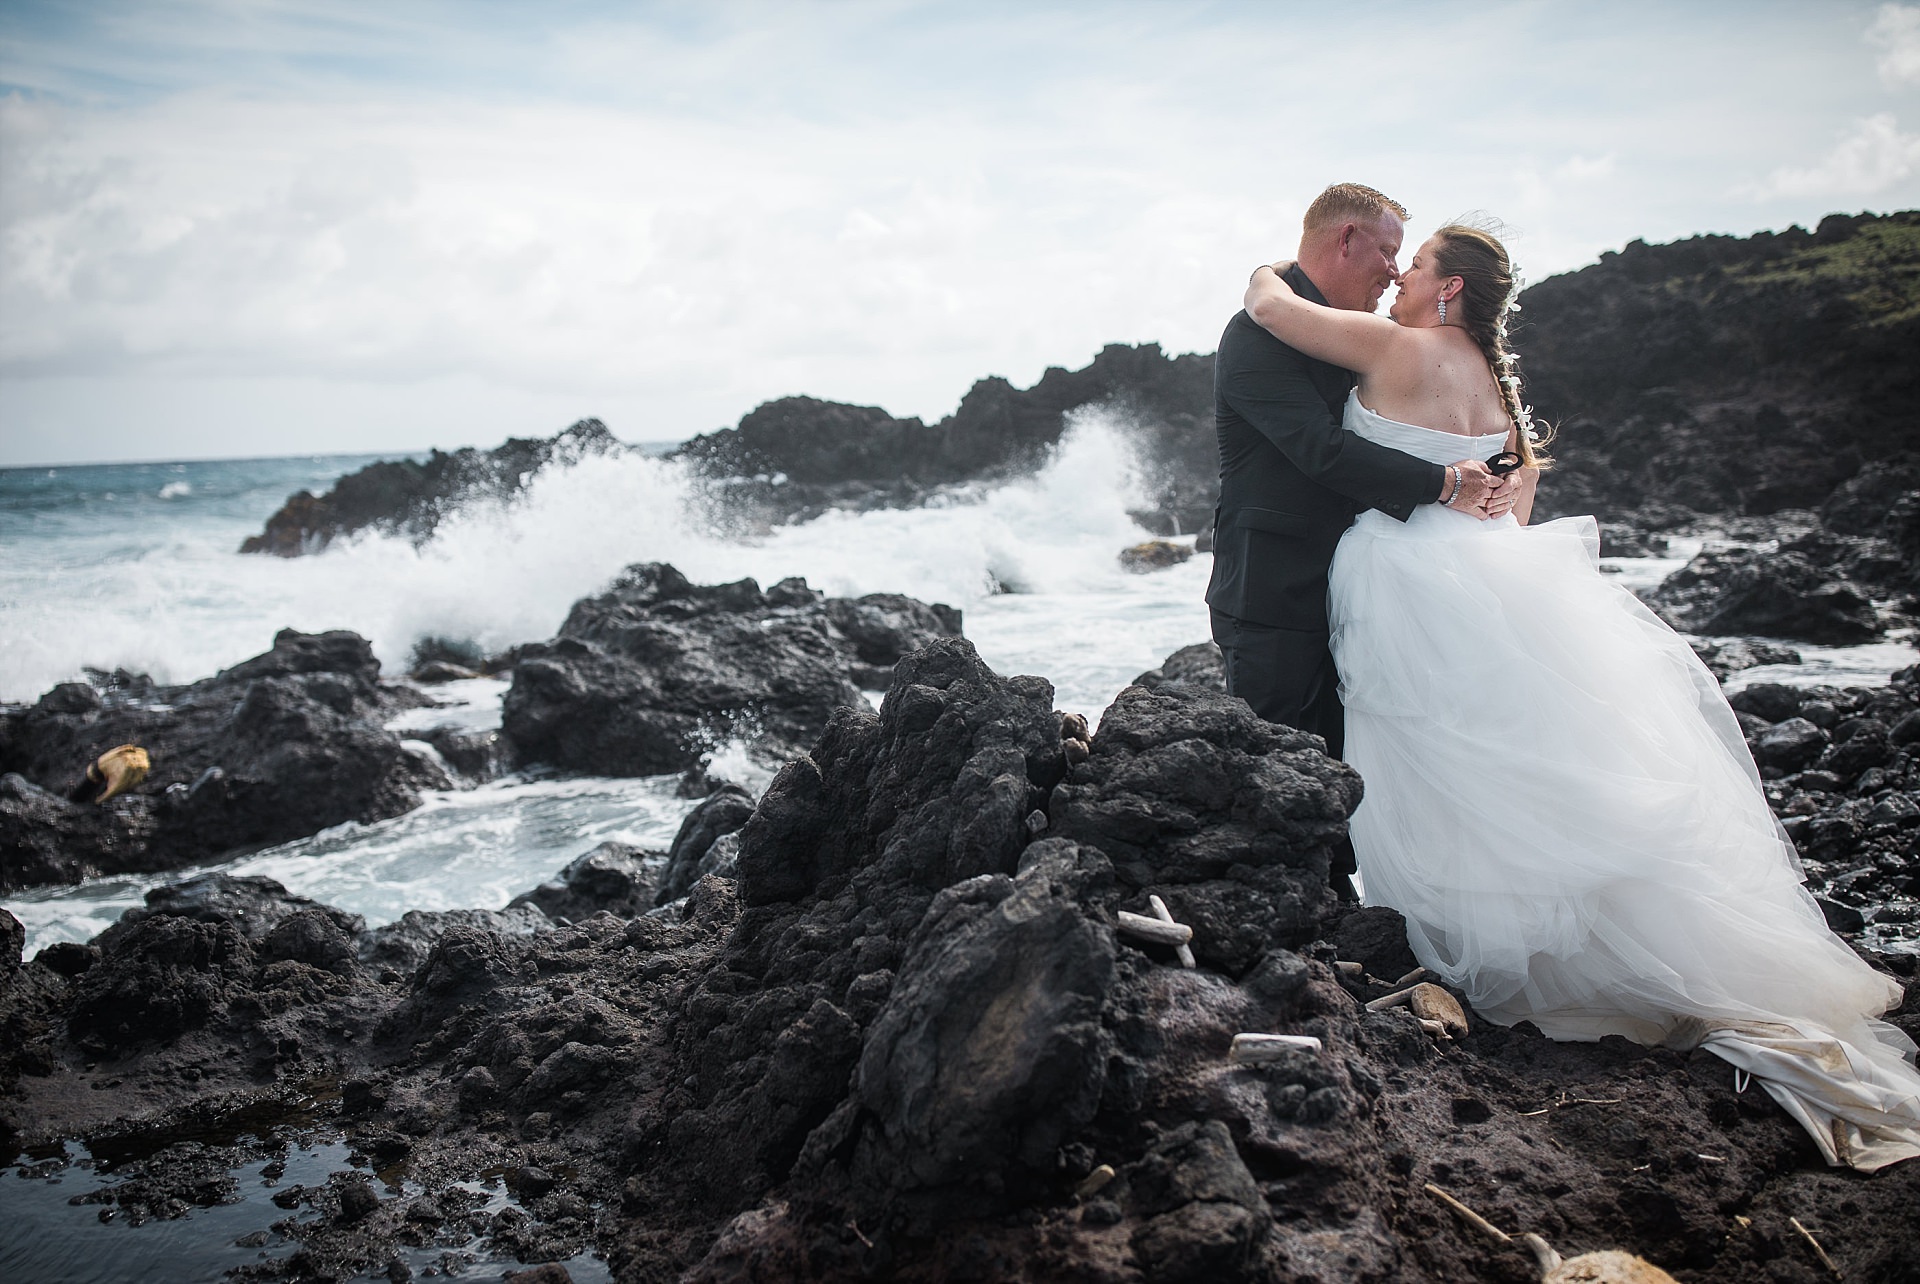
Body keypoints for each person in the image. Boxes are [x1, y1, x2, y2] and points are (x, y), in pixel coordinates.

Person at [1239, 221, 1920, 1171]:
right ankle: (1568, 939)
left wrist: (1267, 264)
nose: (1398, 279)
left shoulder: (1395, 344)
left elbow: (1271, 308)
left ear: (1448, 291)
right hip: (1490, 577)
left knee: (1432, 760)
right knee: (1512, 755)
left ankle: (1476, 942)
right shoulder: (1491, 382)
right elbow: (1512, 508)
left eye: (1416, 265)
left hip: (1399, 579)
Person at [1204, 183, 1519, 900]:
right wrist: (1446, 484)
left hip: (1370, 596)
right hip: (1275, 588)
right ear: (1346, 241)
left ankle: (1359, 913)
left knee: (1358, 765)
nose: (1392, 271)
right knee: (1280, 766)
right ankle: (1290, 921)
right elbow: (1317, 450)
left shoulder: (1363, 336)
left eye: (1407, 260)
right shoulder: (1256, 336)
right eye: (1385, 252)